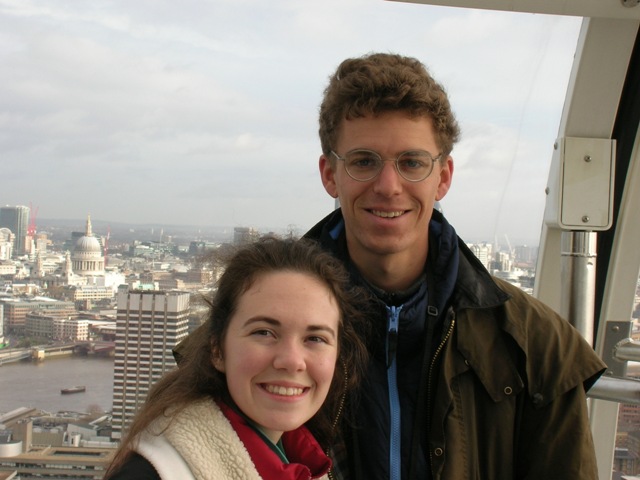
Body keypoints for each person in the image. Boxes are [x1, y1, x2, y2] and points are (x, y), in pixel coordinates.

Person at [176, 52, 607, 479]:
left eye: (412, 163)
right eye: (364, 161)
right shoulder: (235, 344)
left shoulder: (536, 345)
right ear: (330, 174)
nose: (388, 186)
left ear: (443, 177)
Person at [105, 237, 369, 480]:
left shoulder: (305, 463)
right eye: (264, 332)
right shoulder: (153, 473)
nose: (291, 361)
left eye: (315, 338)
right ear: (217, 350)